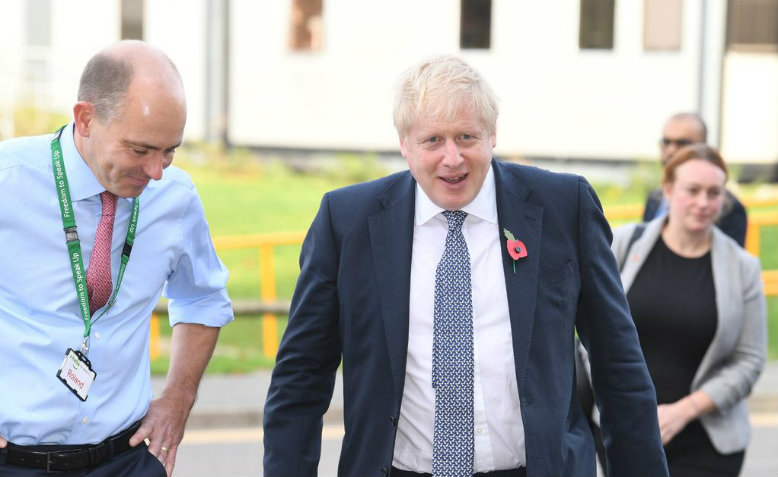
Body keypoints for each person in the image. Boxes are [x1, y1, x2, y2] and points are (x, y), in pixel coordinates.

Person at [263, 55, 668, 477]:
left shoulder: (565, 208)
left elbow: (618, 366)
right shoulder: (347, 222)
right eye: (433, 140)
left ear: (493, 135)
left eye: (467, 137)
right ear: (404, 144)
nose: (452, 158)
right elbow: (300, 378)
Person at [0, 40, 233, 477]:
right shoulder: (7, 181)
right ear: (85, 119)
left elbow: (204, 299)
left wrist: (180, 397)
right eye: (140, 150)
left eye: (170, 151)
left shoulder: (176, 198)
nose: (157, 171)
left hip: (126, 461)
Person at [613, 144, 766, 476]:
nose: (703, 203)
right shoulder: (623, 245)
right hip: (626, 431)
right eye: (692, 190)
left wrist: (684, 411)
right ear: (667, 189)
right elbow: (594, 330)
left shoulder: (743, 268)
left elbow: (751, 359)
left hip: (707, 443)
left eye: (714, 193)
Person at [643, 112, 747, 246]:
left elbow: (731, 262)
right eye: (666, 142)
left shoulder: (728, 207)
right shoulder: (655, 199)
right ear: (667, 189)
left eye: (682, 143)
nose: (671, 150)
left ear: (703, 147)